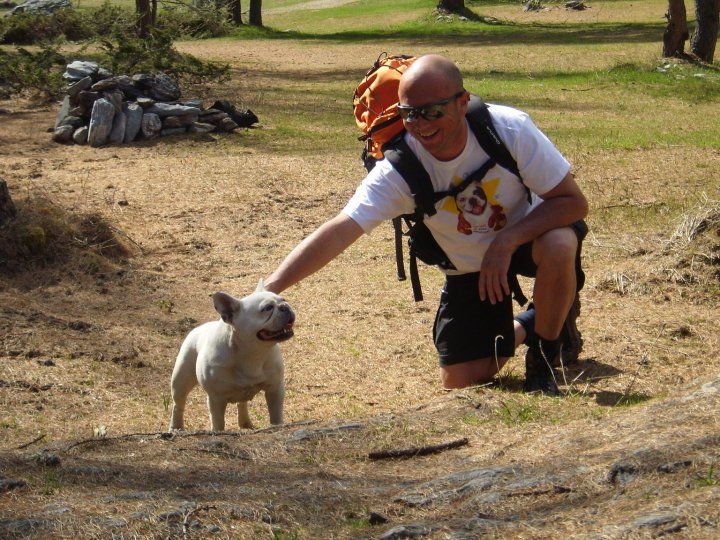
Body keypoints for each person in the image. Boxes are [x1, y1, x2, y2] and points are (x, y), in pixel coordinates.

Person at [265, 54, 589, 395]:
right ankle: (537, 318)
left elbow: (573, 202)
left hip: (527, 241)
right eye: (408, 114)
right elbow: (341, 229)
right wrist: (269, 289)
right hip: (469, 268)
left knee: (560, 244)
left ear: (463, 103)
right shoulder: (400, 169)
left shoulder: (509, 130)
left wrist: (507, 241)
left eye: (432, 111)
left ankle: (544, 359)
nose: (420, 124)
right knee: (461, 381)